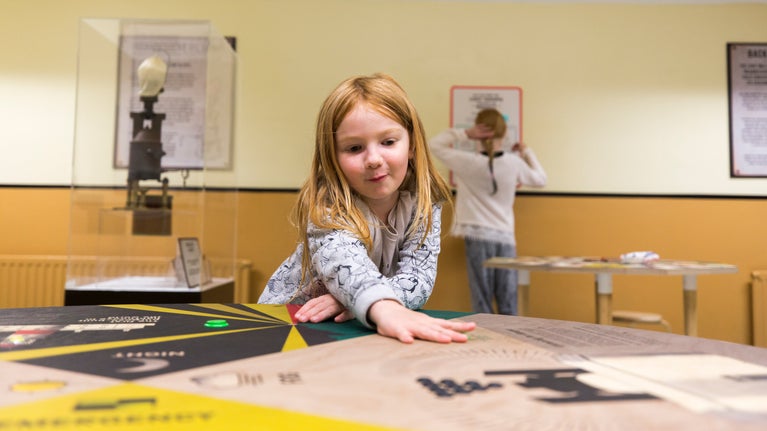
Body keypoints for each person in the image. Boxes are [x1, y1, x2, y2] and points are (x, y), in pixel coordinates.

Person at [258, 73, 476, 344]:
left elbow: (418, 278)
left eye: (388, 142)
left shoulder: (423, 202)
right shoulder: (329, 205)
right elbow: (345, 263)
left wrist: (357, 302)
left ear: (411, 144)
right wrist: (378, 304)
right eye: (354, 147)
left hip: (358, 323)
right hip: (289, 322)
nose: (373, 159)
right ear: (332, 157)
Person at [429, 108, 547, 315]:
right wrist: (527, 152)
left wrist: (465, 133)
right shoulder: (513, 162)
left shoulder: (467, 161)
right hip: (505, 237)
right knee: (508, 298)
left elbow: (433, 145)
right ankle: (510, 344)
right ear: (504, 134)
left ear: (480, 134)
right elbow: (540, 179)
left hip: (477, 235)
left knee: (481, 298)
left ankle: (486, 341)